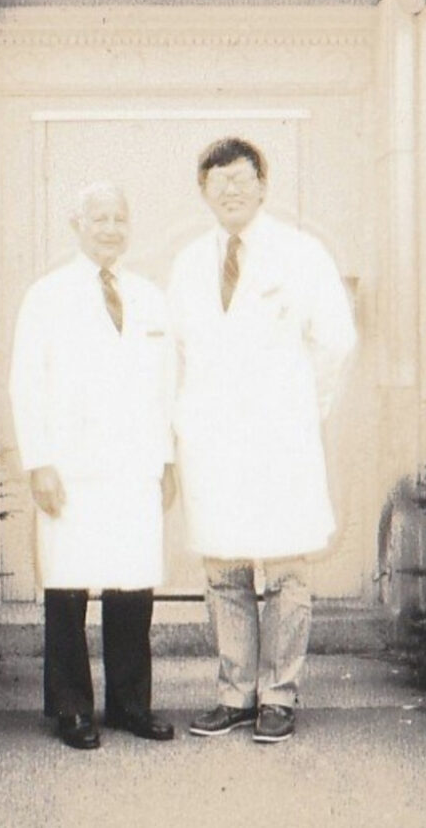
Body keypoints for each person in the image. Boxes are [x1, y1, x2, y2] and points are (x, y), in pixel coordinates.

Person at [167, 137, 357, 744]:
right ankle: (233, 693)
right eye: (217, 180)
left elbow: (336, 343)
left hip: (279, 439)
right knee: (223, 572)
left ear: (263, 186)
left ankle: (277, 694)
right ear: (203, 191)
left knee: (284, 572)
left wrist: (302, 408)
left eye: (241, 178)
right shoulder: (189, 262)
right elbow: (176, 353)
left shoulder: (301, 254)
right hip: (212, 442)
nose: (230, 189)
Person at [8, 181, 177, 750]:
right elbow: (26, 385)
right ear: (76, 226)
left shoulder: (151, 297)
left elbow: (166, 386)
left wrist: (167, 459)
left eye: (119, 218)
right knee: (69, 583)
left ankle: (130, 705)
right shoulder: (47, 295)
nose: (110, 228)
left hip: (135, 463)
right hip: (72, 466)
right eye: (99, 218)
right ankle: (71, 708)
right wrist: (39, 463)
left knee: (133, 584)